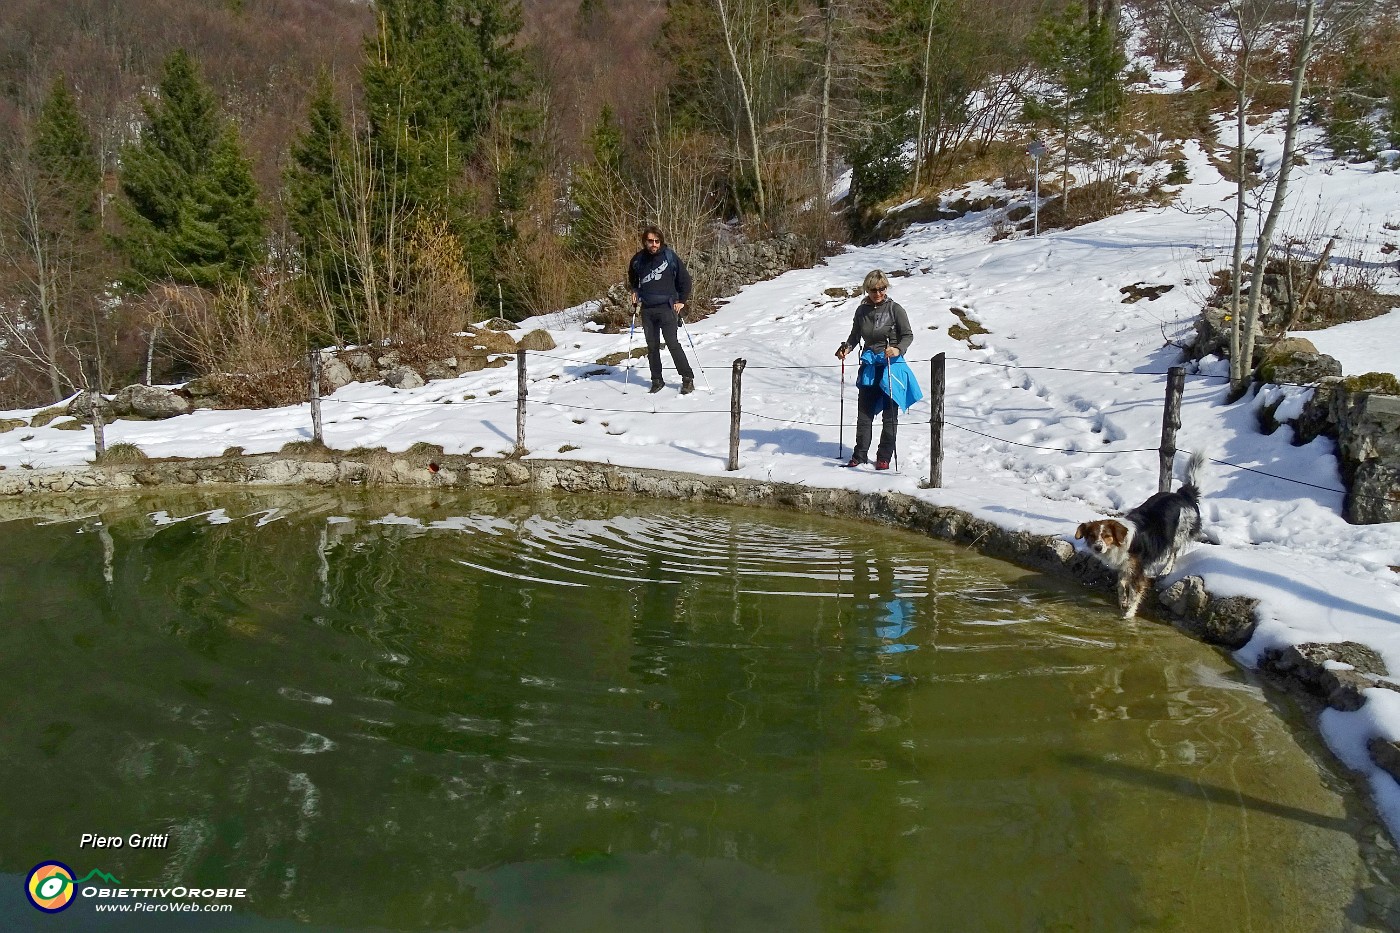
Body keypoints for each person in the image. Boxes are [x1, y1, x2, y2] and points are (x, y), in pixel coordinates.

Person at [835, 270, 915, 470]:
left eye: (882, 288)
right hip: (870, 366)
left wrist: (897, 348)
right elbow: (854, 336)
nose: (878, 293)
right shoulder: (861, 311)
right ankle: (859, 454)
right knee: (864, 413)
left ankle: (884, 457)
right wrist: (847, 348)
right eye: (873, 289)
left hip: (891, 366)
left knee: (890, 415)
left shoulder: (896, 310)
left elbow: (907, 335)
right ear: (867, 289)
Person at [627, 225, 696, 395]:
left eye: (657, 241)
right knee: (652, 347)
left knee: (672, 344)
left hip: (668, 308)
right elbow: (632, 279)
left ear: (661, 242)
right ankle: (656, 380)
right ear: (645, 242)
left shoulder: (669, 257)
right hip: (648, 310)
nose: (654, 244)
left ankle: (687, 379)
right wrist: (635, 291)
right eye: (650, 241)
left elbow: (685, 280)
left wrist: (682, 301)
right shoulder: (638, 260)